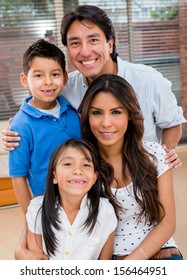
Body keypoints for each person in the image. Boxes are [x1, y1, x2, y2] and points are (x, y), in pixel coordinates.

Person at [2, 5, 186, 168]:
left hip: (142, 176)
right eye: (75, 43)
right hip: (93, 181)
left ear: (110, 44)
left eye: (93, 40)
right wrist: (16, 129)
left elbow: (172, 123)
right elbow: (41, 106)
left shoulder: (149, 80)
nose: (85, 51)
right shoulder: (65, 86)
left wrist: (163, 159)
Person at [78, 74, 183, 260]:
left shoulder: (155, 155)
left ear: (129, 116)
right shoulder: (82, 164)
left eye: (116, 112)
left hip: (158, 250)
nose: (106, 123)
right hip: (106, 255)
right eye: (96, 112)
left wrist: (131, 263)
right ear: (87, 116)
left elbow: (167, 223)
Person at [8, 39, 81, 214]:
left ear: (65, 77)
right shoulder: (21, 125)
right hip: (49, 207)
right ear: (25, 80)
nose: (48, 82)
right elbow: (18, 175)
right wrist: (30, 219)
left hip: (84, 199)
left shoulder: (73, 111)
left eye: (55, 74)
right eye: (39, 75)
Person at [26, 138, 119, 260]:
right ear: (54, 176)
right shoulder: (37, 208)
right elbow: (34, 262)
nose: (78, 171)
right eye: (68, 164)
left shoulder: (106, 211)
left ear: (95, 178)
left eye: (86, 165)